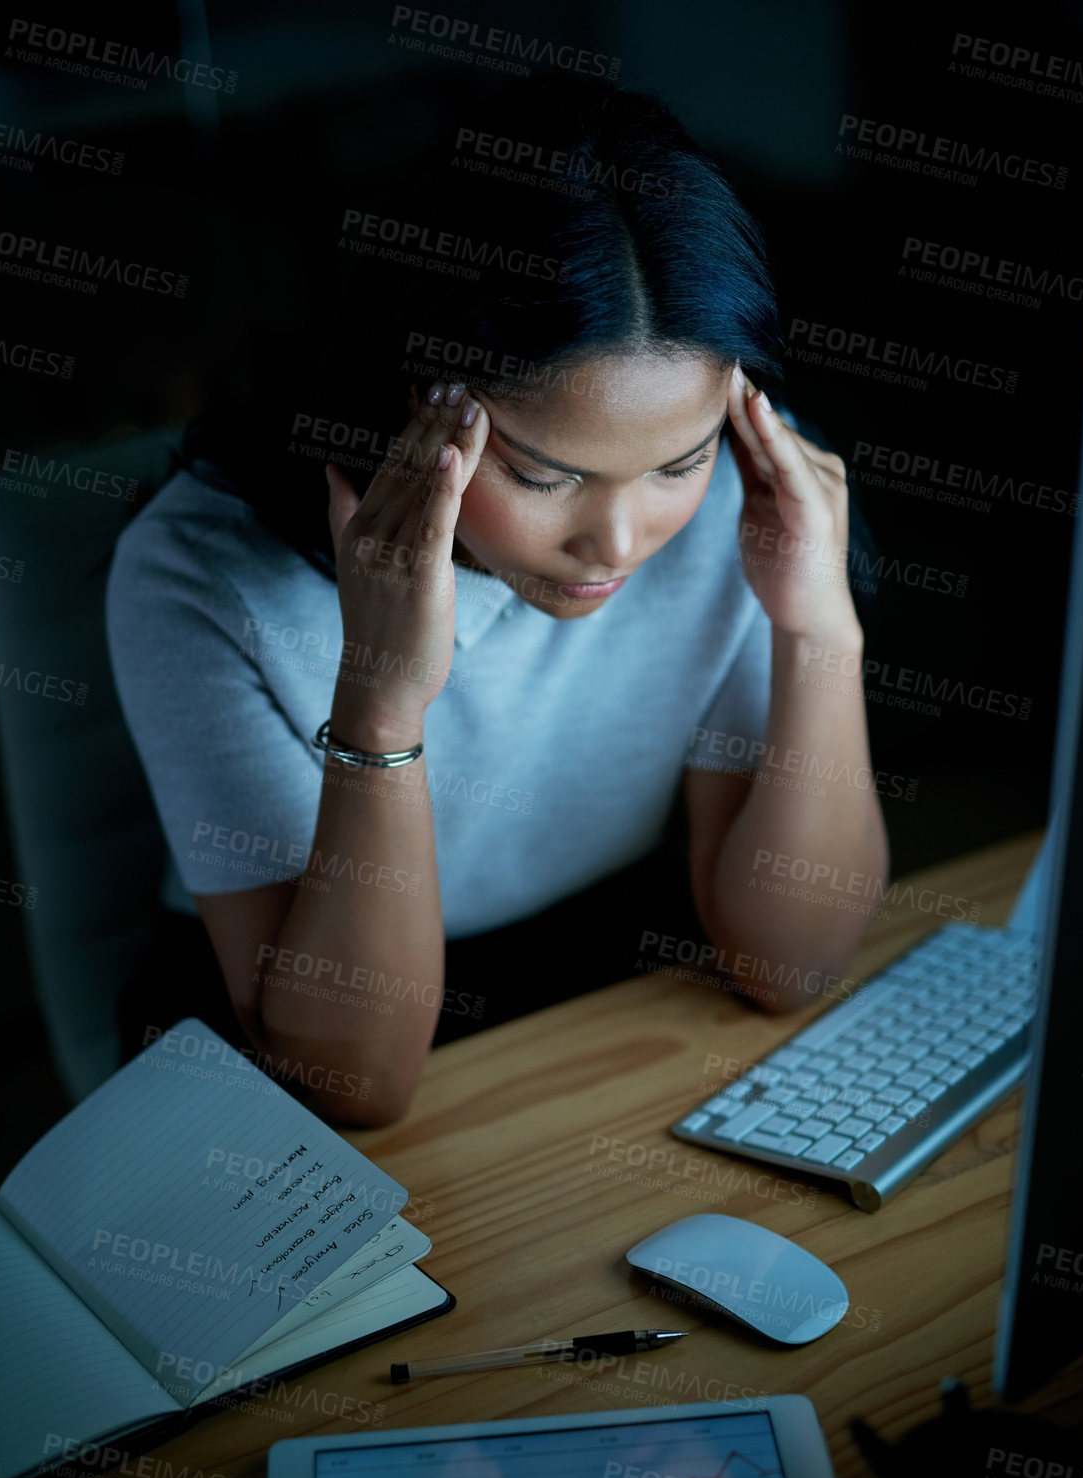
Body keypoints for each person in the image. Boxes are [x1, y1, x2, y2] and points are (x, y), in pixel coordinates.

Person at [106, 73, 888, 1125]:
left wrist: (816, 625)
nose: (617, 543)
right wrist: (381, 699)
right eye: (543, 474)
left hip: (593, 969)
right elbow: (355, 1083)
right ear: (414, 399)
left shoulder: (743, 510)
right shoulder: (196, 576)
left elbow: (790, 961)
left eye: (677, 461)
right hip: (292, 1028)